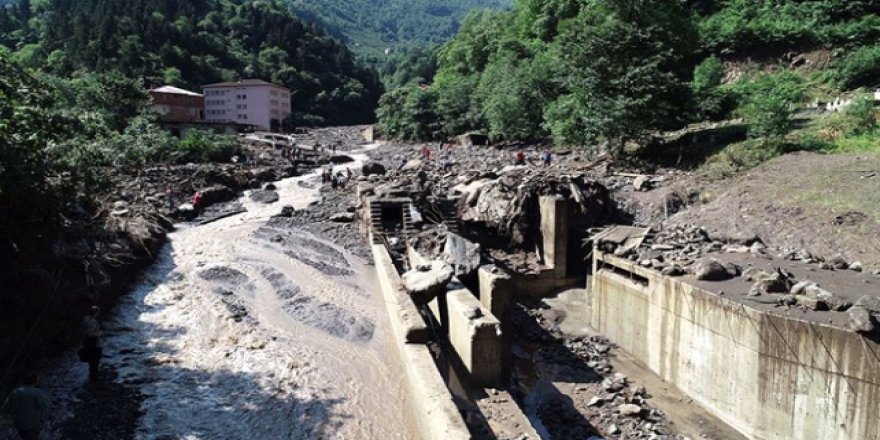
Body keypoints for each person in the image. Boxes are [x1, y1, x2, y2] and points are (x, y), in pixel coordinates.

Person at [1, 374, 49, 440]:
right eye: (38, 381)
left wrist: (7, 419)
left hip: (20, 424)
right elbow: (44, 407)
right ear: (34, 382)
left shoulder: (14, 392)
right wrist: (45, 417)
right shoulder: (36, 392)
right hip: (32, 423)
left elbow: (5, 408)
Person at [82, 306, 103, 382]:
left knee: (91, 361)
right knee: (95, 361)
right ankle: (94, 378)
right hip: (93, 343)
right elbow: (90, 333)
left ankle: (92, 376)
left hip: (86, 342)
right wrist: (99, 333)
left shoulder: (85, 319)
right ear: (96, 313)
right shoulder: (92, 322)